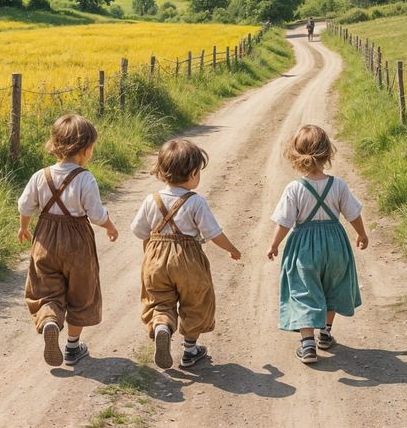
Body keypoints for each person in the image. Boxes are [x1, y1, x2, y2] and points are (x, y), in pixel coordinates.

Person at [130, 139, 242, 369]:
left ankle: (162, 325)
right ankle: (190, 350)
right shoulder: (195, 202)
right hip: (188, 259)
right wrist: (231, 249)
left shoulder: (152, 199)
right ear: (193, 173)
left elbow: (140, 231)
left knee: (160, 300)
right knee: (196, 302)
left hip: (155, 259)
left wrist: (149, 256)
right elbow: (213, 233)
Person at [19, 114, 120, 366]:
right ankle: (73, 347)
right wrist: (109, 225)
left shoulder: (40, 176)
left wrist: (24, 228)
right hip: (77, 243)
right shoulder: (86, 179)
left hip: (45, 240)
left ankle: (51, 321)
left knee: (45, 289)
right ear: (86, 150)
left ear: (54, 145)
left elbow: (25, 205)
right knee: (81, 292)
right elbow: (96, 214)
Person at [267, 124, 369, 364]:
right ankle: (325, 333)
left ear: (295, 156)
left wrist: (274, 245)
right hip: (335, 243)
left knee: (304, 290)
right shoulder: (339, 185)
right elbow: (353, 213)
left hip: (304, 246)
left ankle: (308, 344)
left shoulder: (294, 189)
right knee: (332, 285)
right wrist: (362, 234)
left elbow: (284, 222)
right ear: (328, 154)